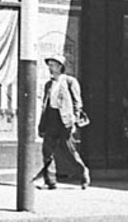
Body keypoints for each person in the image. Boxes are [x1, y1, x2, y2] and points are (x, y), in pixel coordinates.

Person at [37, 56, 90, 190]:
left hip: (65, 119)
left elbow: (77, 102)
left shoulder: (70, 81)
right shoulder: (49, 84)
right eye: (49, 65)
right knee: (47, 150)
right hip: (51, 119)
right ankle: (50, 180)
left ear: (60, 66)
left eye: (53, 65)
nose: (50, 68)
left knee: (69, 150)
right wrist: (42, 123)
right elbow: (46, 104)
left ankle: (83, 172)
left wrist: (75, 120)